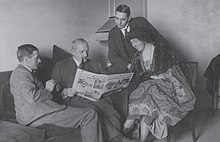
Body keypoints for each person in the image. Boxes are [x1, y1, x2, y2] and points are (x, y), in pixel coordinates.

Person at [10, 44, 103, 142]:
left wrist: (54, 89)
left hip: (41, 112)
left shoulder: (27, 72)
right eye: (36, 58)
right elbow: (30, 97)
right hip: (36, 116)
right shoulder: (21, 73)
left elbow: (36, 94)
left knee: (90, 111)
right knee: (89, 114)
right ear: (25, 59)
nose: (39, 61)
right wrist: (48, 90)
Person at [51, 38, 139, 142]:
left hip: (96, 98)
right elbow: (54, 90)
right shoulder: (60, 66)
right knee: (95, 113)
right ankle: (119, 139)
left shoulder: (95, 64)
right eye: (82, 52)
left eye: (87, 51)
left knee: (112, 113)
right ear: (72, 51)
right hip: (74, 100)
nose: (85, 55)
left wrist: (120, 85)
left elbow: (106, 80)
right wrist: (65, 92)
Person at [123, 28, 196, 141]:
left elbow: (175, 71)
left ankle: (129, 122)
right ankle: (143, 139)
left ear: (143, 38)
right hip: (151, 92)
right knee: (148, 94)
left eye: (136, 41)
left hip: (171, 89)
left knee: (148, 87)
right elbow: (136, 77)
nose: (134, 45)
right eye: (131, 42)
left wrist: (163, 76)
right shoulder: (138, 56)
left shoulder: (161, 50)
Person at [108, 4, 166, 74]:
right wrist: (127, 65)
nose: (119, 23)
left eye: (123, 19)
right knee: (107, 73)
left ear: (129, 18)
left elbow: (159, 40)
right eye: (117, 18)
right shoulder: (112, 33)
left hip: (145, 61)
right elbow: (112, 56)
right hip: (126, 65)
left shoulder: (141, 22)